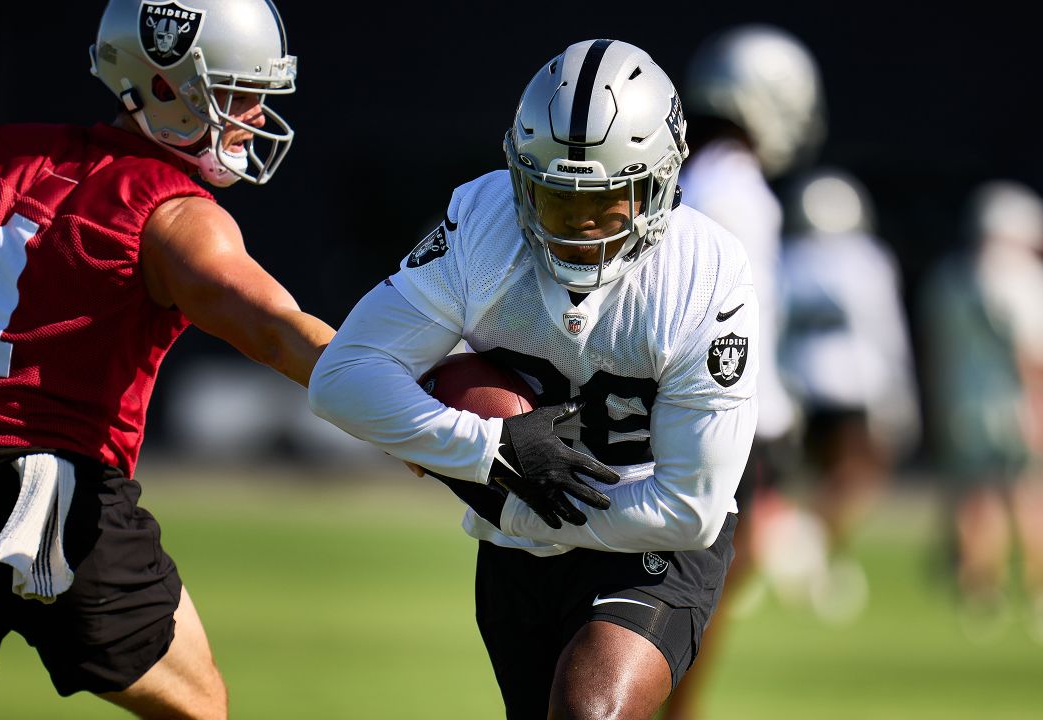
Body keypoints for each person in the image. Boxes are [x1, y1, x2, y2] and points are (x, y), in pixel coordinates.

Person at [0, 1, 334, 718]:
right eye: (237, 91)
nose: (253, 115)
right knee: (198, 709)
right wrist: (410, 404)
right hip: (59, 494)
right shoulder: (175, 215)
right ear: (163, 87)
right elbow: (281, 332)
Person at [310, 39, 758, 719]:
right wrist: (487, 449)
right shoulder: (483, 224)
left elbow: (691, 510)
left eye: (607, 202)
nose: (580, 227)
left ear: (660, 183)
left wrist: (517, 504)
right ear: (521, 178)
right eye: (556, 199)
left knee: (591, 710)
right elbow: (344, 377)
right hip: (516, 547)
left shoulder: (706, 275)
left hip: (649, 535)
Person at [663, 23, 825, 719]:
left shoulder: (698, 175)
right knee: (698, 598)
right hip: (720, 413)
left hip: (694, 405)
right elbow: (731, 323)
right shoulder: (736, 190)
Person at [919, 180, 1043, 646]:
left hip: (964, 404)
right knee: (1037, 495)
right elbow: (1041, 354)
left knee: (977, 498)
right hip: (1020, 405)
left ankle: (980, 594)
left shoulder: (950, 277)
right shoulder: (1030, 280)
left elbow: (936, 351)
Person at [774, 167, 920, 622]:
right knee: (858, 476)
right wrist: (899, 390)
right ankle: (802, 537)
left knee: (816, 478)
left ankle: (815, 558)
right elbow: (886, 330)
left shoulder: (787, 259)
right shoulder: (867, 259)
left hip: (798, 383)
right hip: (855, 385)